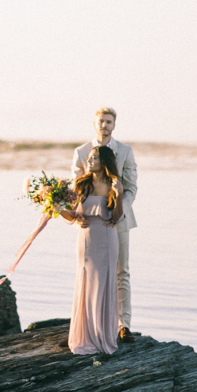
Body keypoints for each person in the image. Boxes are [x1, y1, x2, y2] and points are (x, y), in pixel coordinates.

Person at [72, 107, 138, 342]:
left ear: (114, 125)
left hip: (118, 220)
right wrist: (76, 213)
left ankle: (123, 325)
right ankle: (86, 326)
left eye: (109, 122)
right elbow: (76, 189)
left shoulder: (125, 151)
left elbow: (131, 187)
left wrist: (117, 211)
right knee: (87, 271)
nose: (104, 125)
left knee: (122, 271)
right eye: (101, 121)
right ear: (94, 123)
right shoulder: (81, 152)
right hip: (90, 223)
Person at [60, 145, 123, 355]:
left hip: (106, 236)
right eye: (89, 158)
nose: (89, 162)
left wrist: (120, 194)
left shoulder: (114, 184)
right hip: (86, 239)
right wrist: (56, 206)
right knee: (86, 282)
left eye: (94, 158)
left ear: (104, 162)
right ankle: (84, 336)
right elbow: (73, 213)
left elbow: (116, 218)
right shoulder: (82, 183)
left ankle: (102, 335)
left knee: (104, 283)